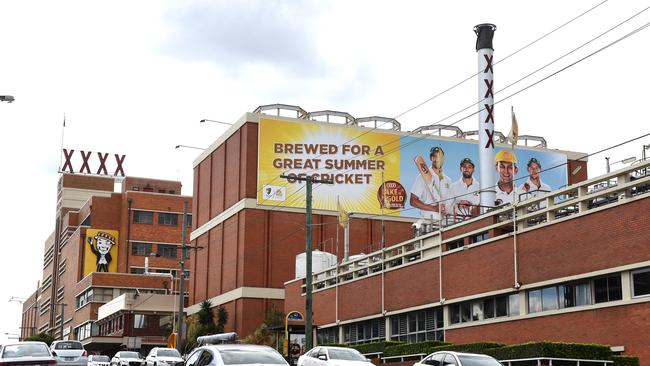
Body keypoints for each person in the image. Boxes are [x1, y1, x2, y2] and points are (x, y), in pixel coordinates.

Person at [410, 146, 453, 221]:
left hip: (445, 223)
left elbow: (451, 203)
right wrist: (434, 208)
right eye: (434, 157)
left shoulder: (448, 180)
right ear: (431, 158)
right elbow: (413, 201)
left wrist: (448, 210)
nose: (437, 159)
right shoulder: (422, 177)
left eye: (440, 157)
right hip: (429, 221)